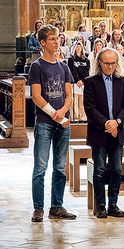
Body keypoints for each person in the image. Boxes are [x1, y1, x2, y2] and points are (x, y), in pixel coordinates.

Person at [29, 24, 76, 222]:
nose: (57, 42)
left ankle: (56, 206)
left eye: (58, 38)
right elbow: (36, 96)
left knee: (59, 168)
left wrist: (63, 112)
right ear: (42, 43)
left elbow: (69, 96)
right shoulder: (37, 66)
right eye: (53, 39)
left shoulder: (63, 67)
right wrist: (53, 113)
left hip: (62, 123)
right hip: (44, 122)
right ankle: (38, 208)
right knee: (40, 168)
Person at [84, 47, 124, 218]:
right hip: (99, 132)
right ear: (99, 63)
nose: (110, 67)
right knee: (98, 171)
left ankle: (113, 204)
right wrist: (107, 124)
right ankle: (101, 206)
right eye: (107, 64)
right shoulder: (91, 82)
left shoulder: (123, 81)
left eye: (113, 63)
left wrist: (117, 122)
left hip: (117, 132)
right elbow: (89, 109)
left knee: (116, 170)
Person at [68, 42, 90, 122]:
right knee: (74, 102)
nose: (78, 48)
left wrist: (82, 80)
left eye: (80, 47)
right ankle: (75, 117)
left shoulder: (86, 60)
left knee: (82, 101)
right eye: (77, 47)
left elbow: (86, 71)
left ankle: (83, 117)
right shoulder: (71, 59)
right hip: (74, 83)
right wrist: (77, 80)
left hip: (83, 83)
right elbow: (72, 71)